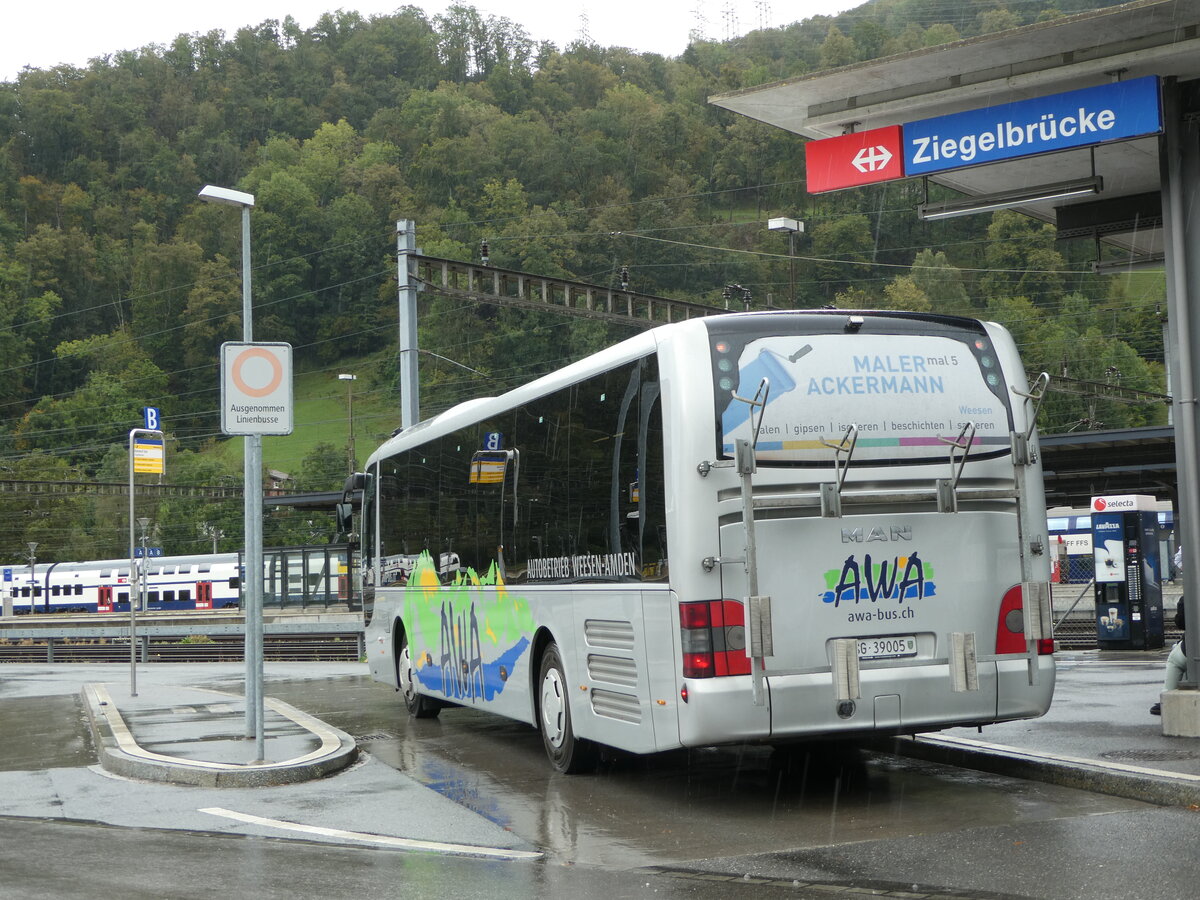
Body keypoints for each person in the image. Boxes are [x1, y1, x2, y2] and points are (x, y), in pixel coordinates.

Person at [1151, 596, 1188, 715]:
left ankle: (1167, 698)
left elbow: (1181, 623)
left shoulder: (1189, 595)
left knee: (1174, 659)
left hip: (1190, 649)